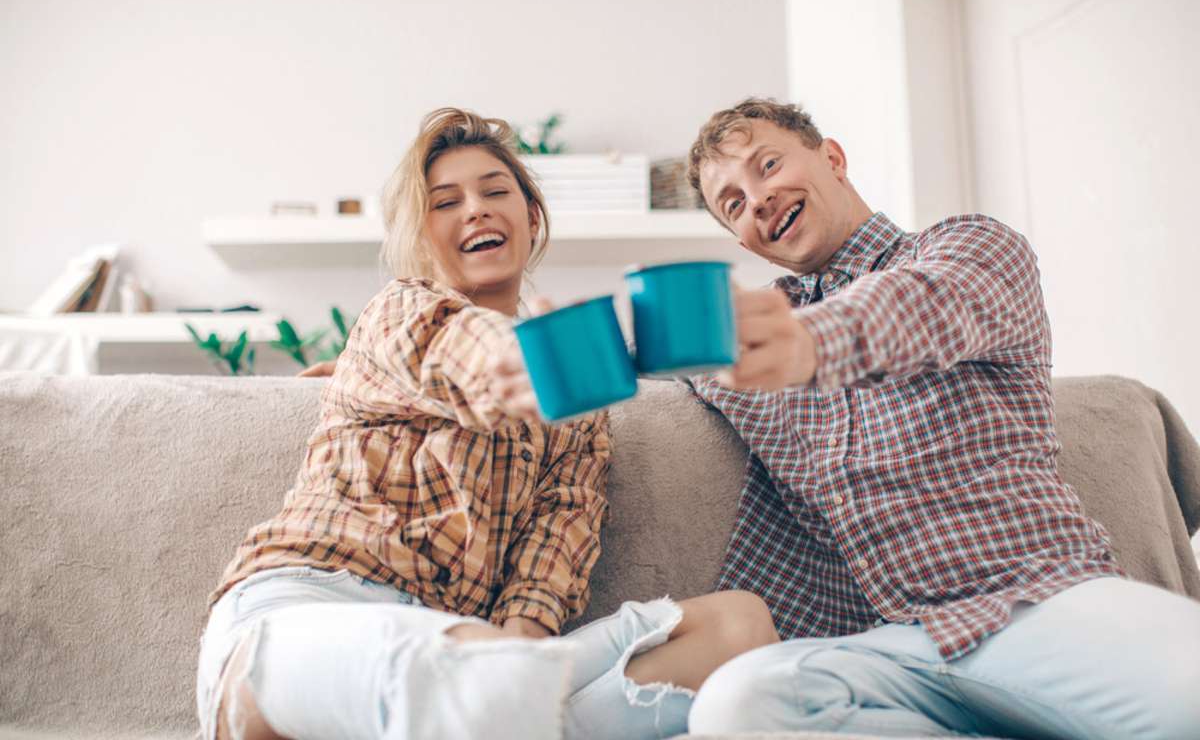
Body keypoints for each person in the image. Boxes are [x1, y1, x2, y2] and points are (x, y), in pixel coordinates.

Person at [196, 107, 778, 740]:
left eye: (495, 192)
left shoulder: (582, 421)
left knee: (737, 627)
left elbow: (546, 570)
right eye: (446, 202)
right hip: (310, 609)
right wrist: (548, 354)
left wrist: (515, 659)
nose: (475, 209)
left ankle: (493, 709)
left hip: (471, 656)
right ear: (421, 238)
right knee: (472, 673)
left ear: (531, 217)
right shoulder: (397, 314)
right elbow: (466, 351)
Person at [678, 97, 1200, 739]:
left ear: (833, 159)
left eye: (767, 165)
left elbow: (921, 306)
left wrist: (802, 342)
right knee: (740, 702)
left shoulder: (970, 248)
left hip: (1036, 603)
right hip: (891, 652)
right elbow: (632, 354)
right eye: (733, 202)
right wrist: (523, 350)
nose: (756, 198)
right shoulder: (743, 335)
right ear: (741, 238)